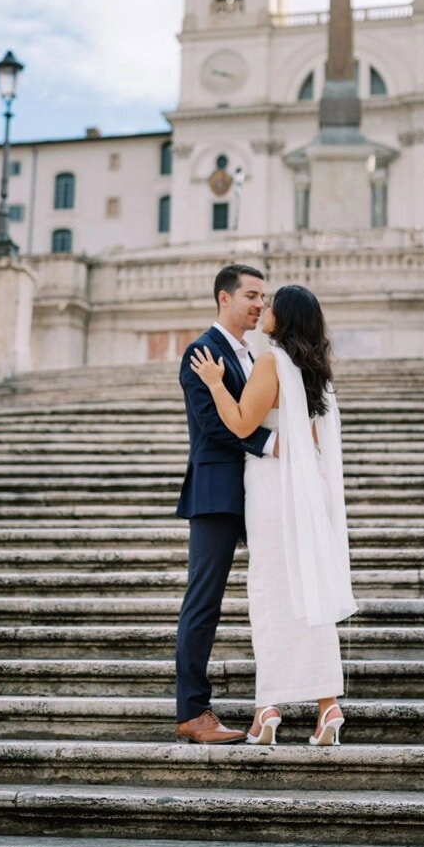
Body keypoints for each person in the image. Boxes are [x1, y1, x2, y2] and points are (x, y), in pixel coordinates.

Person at [190, 282, 357, 745]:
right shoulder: (316, 369)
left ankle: (268, 709)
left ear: (284, 318)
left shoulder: (272, 360)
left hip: (273, 487)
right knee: (311, 592)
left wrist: (215, 383)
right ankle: (328, 707)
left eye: (271, 304)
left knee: (268, 593)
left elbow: (242, 422)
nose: (264, 309)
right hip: (310, 487)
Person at [174, 263, 277, 744]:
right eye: (251, 295)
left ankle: (275, 698)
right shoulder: (203, 350)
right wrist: (269, 443)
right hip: (217, 492)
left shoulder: (249, 353)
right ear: (224, 298)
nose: (260, 304)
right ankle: (193, 713)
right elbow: (213, 425)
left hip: (253, 488)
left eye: (264, 296)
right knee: (203, 603)